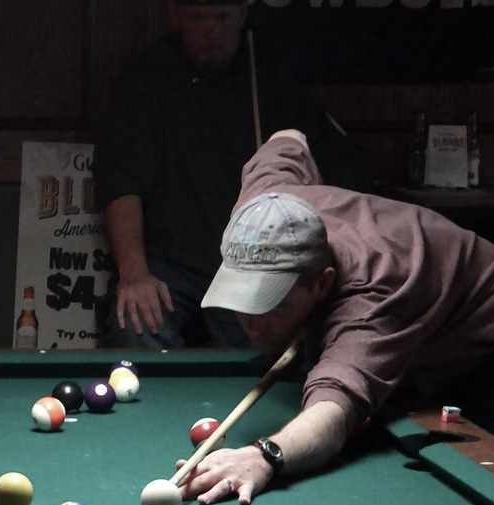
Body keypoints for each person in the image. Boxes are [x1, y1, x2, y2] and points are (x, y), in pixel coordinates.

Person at [176, 129, 494, 505]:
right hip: (425, 325)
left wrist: (264, 455)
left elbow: (332, 413)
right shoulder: (261, 204)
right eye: (243, 299)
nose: (252, 323)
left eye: (273, 303)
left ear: (321, 284)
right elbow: (288, 138)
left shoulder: (374, 294)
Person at [92, 0, 367, 350]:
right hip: (169, 264)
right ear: (176, 17)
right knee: (135, 326)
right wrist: (134, 274)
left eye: (222, 17)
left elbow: (340, 168)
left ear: (242, 14)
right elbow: (120, 179)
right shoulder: (146, 79)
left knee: (266, 344)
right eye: (198, 18)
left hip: (250, 261)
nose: (211, 30)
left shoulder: (271, 76)